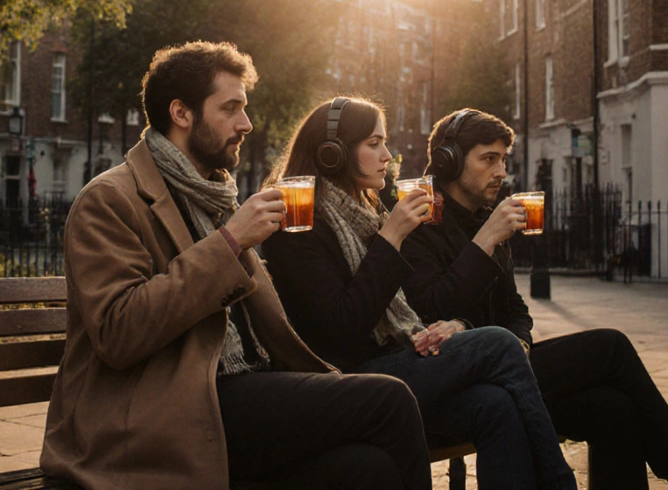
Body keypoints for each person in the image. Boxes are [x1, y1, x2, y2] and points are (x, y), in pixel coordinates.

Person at [40, 43, 431, 490]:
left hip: (245, 393)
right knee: (389, 399)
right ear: (181, 113)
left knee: (369, 468)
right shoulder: (110, 199)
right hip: (172, 411)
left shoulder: (215, 197)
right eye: (231, 109)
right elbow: (118, 332)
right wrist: (230, 243)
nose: (246, 124)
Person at [263, 97, 577, 490]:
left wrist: (451, 326)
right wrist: (391, 236)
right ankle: (561, 483)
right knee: (499, 343)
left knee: (494, 405)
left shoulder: (366, 213)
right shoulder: (300, 223)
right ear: (333, 152)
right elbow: (339, 329)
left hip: (396, 359)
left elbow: (413, 306)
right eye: (374, 144)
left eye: (385, 143)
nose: (388, 156)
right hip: (344, 380)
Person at [399, 108, 668, 490]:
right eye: (489, 159)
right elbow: (431, 309)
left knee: (612, 407)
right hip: (460, 379)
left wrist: (519, 342)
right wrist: (485, 241)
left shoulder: (484, 217)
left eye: (504, 159)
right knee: (610, 347)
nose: (501, 172)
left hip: (510, 367)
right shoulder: (419, 223)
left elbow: (516, 311)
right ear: (449, 162)